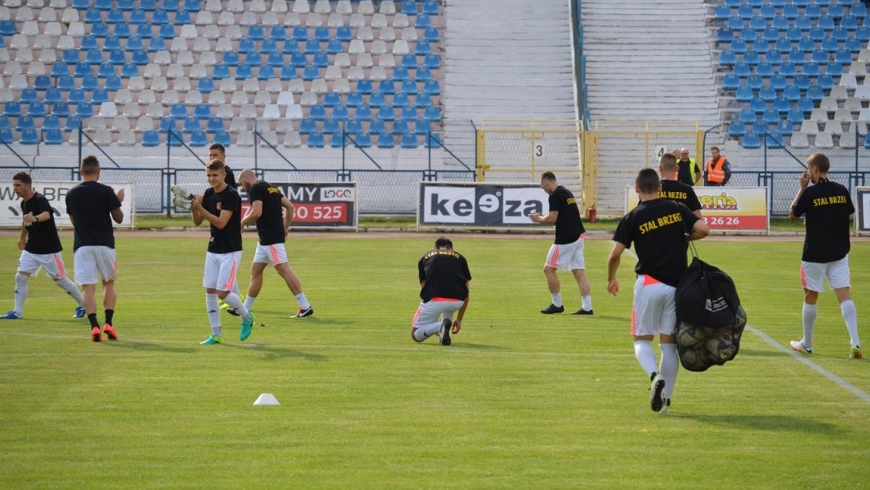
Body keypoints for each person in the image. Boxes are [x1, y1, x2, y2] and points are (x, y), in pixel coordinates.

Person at [606, 168, 710, 413]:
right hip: (677, 286)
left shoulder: (633, 216)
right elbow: (704, 230)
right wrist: (685, 238)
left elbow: (615, 255)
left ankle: (654, 376)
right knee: (668, 345)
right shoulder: (676, 208)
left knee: (641, 339)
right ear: (660, 188)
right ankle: (666, 402)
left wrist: (612, 278)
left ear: (637, 190)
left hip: (649, 283)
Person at [788, 153, 862, 360]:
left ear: (814, 169)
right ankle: (855, 342)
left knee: (810, 296)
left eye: (808, 168)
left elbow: (792, 215)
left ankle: (807, 343)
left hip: (814, 255)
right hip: (839, 253)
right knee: (844, 296)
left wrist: (802, 188)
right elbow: (846, 212)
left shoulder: (810, 192)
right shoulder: (841, 190)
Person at [1, 172, 86, 320]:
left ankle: (83, 305)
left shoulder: (40, 199)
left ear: (27, 185)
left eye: (18, 185)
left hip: (49, 249)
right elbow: (26, 221)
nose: (15, 188)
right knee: (20, 277)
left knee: (60, 280)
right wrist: (22, 238)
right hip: (31, 249)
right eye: (14, 185)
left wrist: (35, 218)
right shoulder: (24, 203)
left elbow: (47, 214)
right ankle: (17, 312)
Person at [190, 159, 255, 345]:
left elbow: (220, 222)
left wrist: (200, 208)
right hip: (213, 248)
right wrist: (194, 209)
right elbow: (197, 222)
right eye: (208, 175)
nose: (211, 179)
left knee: (223, 293)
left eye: (215, 175)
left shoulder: (232, 195)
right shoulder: (209, 193)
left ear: (224, 175)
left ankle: (247, 317)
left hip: (230, 250)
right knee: (210, 291)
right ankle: (216, 334)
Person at [237, 169, 314, 319]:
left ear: (246, 178)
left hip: (270, 237)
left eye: (241, 184)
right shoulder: (271, 187)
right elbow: (290, 207)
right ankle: (245, 308)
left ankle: (305, 306)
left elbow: (257, 212)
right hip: (267, 238)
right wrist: (285, 228)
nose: (242, 187)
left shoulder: (255, 188)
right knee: (256, 271)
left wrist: (243, 221)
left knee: (283, 270)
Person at [64, 156, 125, 342]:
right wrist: (118, 201)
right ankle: (108, 323)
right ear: (99, 171)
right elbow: (119, 218)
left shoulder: (72, 194)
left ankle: (94, 326)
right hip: (105, 244)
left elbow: (73, 221)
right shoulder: (106, 192)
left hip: (83, 245)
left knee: (88, 287)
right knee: (108, 282)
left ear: (81, 171)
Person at [529, 171, 593, 315]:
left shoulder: (555, 196)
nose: (544, 190)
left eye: (543, 187)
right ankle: (587, 307)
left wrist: (539, 218)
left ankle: (557, 304)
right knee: (579, 272)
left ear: (546, 183)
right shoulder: (567, 192)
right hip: (578, 236)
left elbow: (552, 218)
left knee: (548, 269)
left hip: (566, 239)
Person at [411, 237, 471, 346]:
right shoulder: (461, 258)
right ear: (452, 249)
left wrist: (433, 325)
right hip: (457, 302)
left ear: (435, 249)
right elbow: (466, 292)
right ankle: (443, 332)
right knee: (449, 302)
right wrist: (459, 320)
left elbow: (424, 287)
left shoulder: (424, 257)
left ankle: (440, 326)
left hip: (435, 300)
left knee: (415, 334)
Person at [659, 153, 703, 218]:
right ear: (677, 168)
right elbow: (698, 218)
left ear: (660, 168)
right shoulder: (687, 189)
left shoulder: (652, 189)